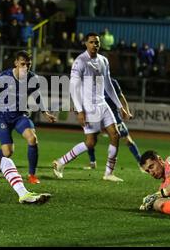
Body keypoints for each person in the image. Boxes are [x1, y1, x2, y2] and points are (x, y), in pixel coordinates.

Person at [52, 32, 129, 182]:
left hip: (103, 104)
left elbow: (108, 85)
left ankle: (108, 173)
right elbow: (73, 88)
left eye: (97, 42)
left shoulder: (103, 61)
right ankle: (60, 162)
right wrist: (80, 110)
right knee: (90, 142)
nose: (95, 45)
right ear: (86, 44)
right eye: (92, 42)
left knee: (115, 135)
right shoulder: (80, 61)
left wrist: (120, 106)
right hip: (88, 106)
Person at [0, 50, 57, 184]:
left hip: (20, 116)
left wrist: (45, 112)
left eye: (28, 65)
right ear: (16, 64)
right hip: (2, 117)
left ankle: (31, 175)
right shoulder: (4, 77)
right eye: (23, 64)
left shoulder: (32, 78)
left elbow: (36, 96)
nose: (25, 68)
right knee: (7, 152)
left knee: (32, 139)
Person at [85, 78, 141, 170]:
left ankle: (140, 163)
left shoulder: (112, 82)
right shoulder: (92, 83)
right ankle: (92, 162)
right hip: (97, 114)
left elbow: (121, 96)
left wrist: (126, 111)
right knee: (90, 140)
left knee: (127, 140)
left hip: (113, 114)